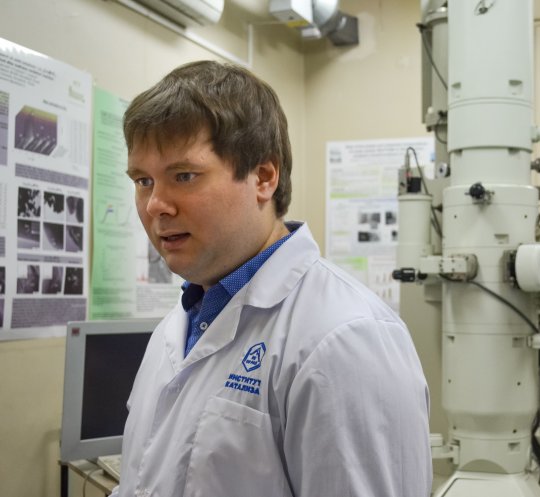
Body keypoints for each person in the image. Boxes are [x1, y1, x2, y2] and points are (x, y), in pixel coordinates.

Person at [112, 60, 432, 497]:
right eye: (143, 180)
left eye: (184, 176)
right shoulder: (180, 325)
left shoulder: (345, 338)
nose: (155, 205)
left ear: (263, 177)